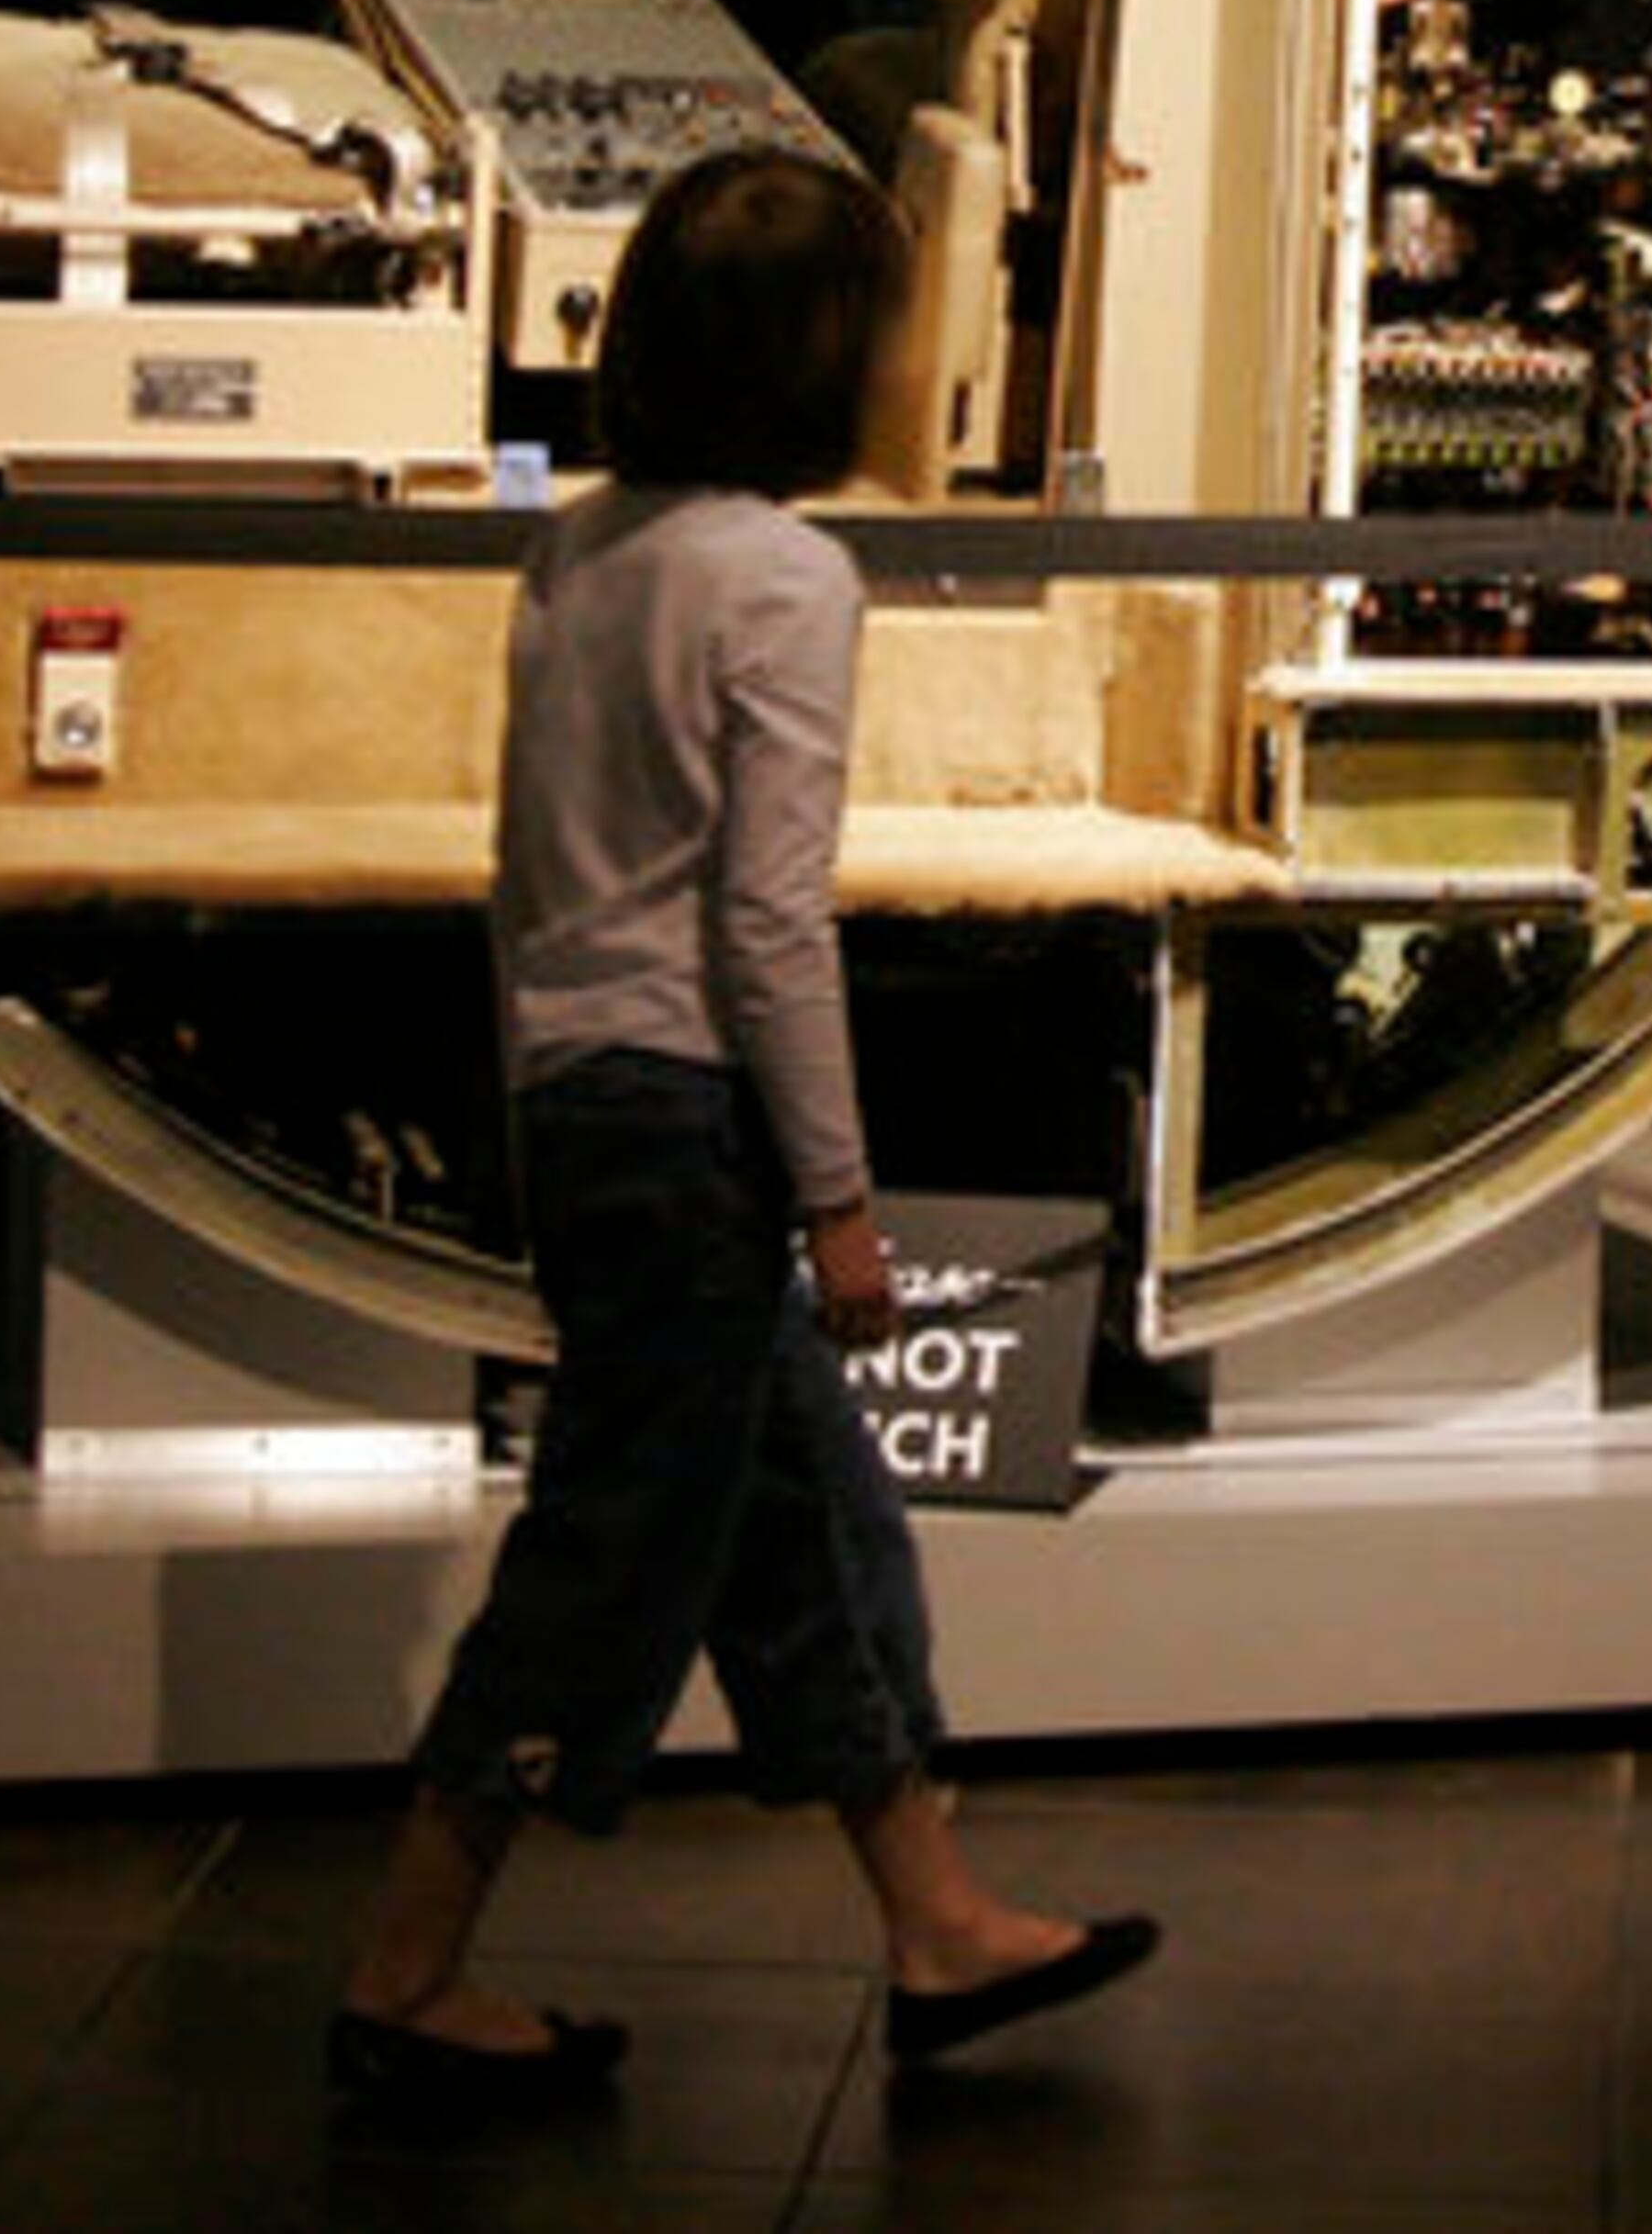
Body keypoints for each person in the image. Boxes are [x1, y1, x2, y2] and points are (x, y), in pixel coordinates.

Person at [332, 148, 1159, 2102]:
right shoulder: (787, 578)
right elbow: (769, 926)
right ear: (820, 353)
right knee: (608, 1562)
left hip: (588, 1101)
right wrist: (843, 1202)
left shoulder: (587, 548)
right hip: (691, 1122)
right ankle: (402, 1980)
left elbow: (541, 871)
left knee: (811, 1539)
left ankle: (938, 1923)